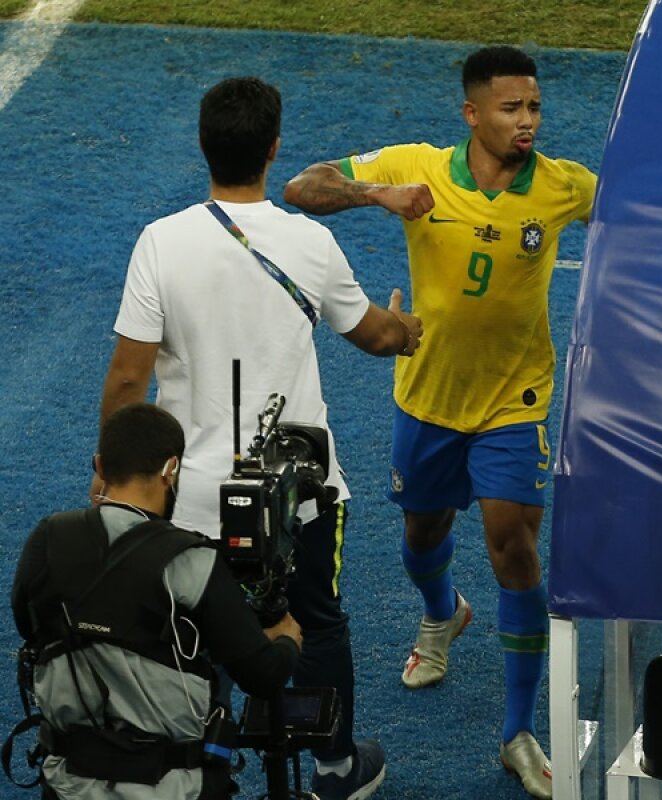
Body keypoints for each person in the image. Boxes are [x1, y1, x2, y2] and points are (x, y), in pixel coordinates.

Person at [282, 45, 597, 799]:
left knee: (513, 545)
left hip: (514, 400)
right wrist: (379, 195)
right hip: (426, 397)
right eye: (511, 108)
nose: (527, 121)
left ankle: (518, 731)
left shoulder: (561, 187)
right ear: (472, 113)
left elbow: (642, 207)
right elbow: (302, 187)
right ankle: (441, 614)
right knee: (422, 536)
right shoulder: (414, 164)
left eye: (534, 107)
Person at [95, 76, 421, 800]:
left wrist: (111, 479)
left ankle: (203, 765)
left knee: (191, 633)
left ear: (205, 147)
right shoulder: (311, 241)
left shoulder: (160, 243)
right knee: (317, 624)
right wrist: (409, 330)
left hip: (190, 503)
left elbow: (127, 381)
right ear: (273, 150)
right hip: (299, 491)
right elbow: (373, 334)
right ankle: (334, 768)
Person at [12, 403, 303, 799]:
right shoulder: (193, 561)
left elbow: (31, 627)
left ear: (100, 466)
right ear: (171, 469)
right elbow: (263, 676)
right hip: (172, 786)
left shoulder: (47, 539)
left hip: (67, 783)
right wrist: (286, 639)